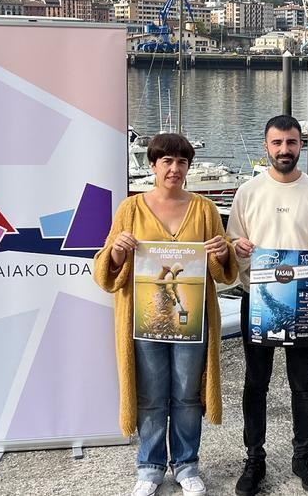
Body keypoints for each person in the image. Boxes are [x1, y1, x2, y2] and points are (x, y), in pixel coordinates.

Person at [93, 133, 236, 496]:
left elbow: (224, 271)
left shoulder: (204, 209)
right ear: (153, 165)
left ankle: (187, 464)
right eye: (166, 161)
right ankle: (150, 466)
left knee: (188, 394)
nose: (174, 169)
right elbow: (105, 271)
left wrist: (221, 253)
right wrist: (117, 253)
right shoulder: (130, 209)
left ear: (189, 167)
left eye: (182, 162)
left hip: (191, 319)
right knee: (152, 394)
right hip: (145, 321)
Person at [225, 115, 308, 496]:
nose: (284, 150)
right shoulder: (248, 191)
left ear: (300, 145)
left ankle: (302, 455)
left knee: (302, 384)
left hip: (302, 303)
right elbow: (232, 248)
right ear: (266, 146)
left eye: (291, 143)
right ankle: (254, 458)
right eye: (277, 143)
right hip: (256, 299)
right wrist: (238, 250)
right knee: (256, 383)